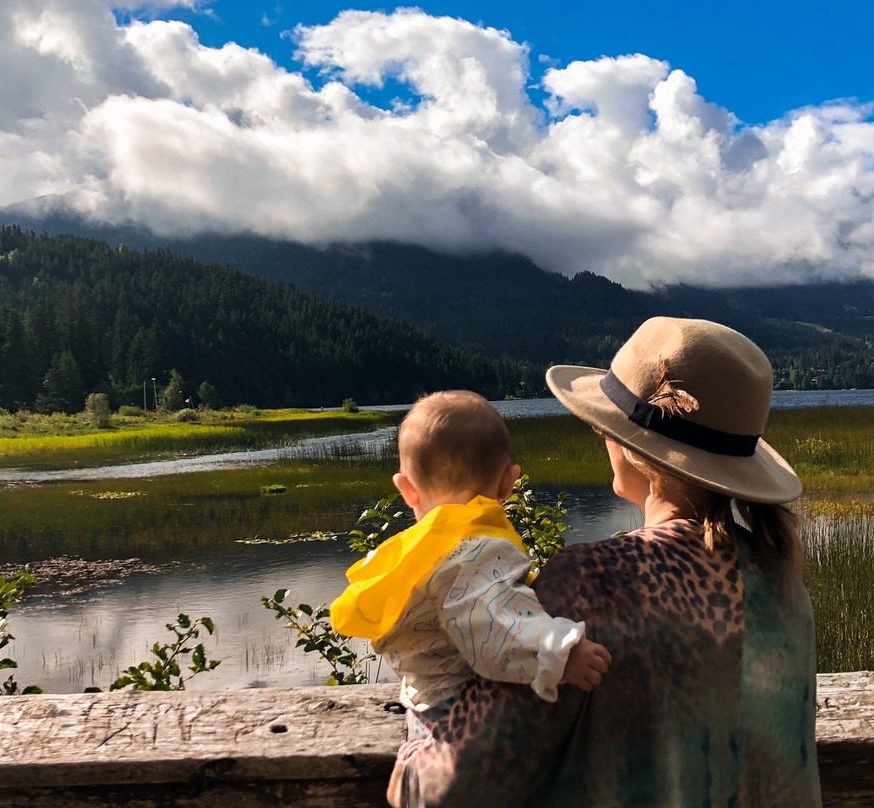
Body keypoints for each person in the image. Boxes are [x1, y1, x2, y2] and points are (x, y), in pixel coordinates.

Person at [387, 317, 822, 808]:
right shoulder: (783, 582)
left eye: (604, 427)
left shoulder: (592, 584)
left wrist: (420, 715)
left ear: (634, 450)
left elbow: (442, 790)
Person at [330, 390, 612, 740]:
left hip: (424, 709)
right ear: (509, 482)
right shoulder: (475, 552)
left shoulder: (416, 553)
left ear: (406, 490)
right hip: (465, 716)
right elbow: (495, 627)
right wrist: (562, 652)